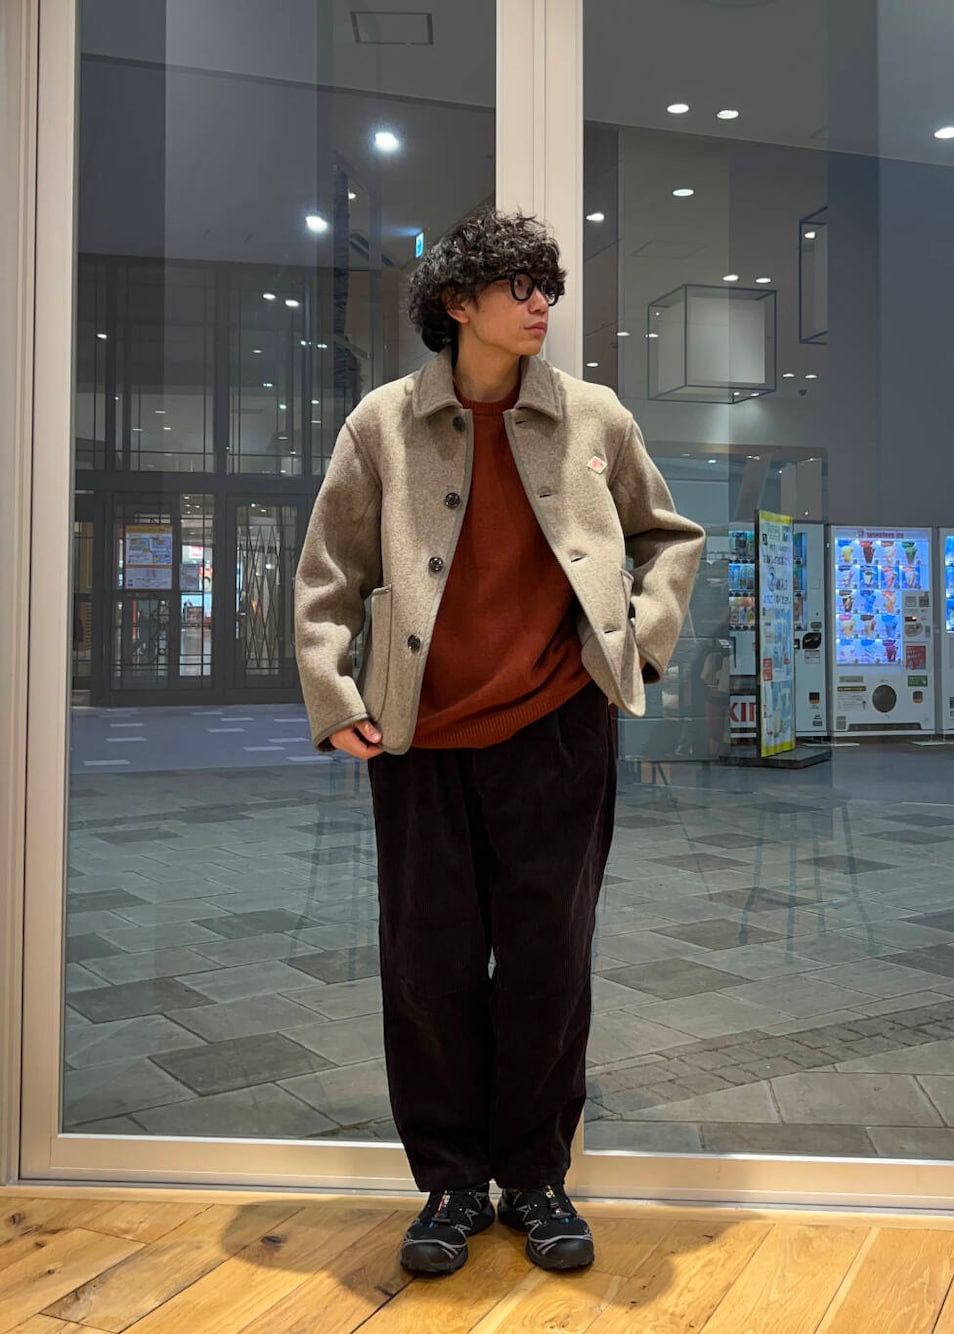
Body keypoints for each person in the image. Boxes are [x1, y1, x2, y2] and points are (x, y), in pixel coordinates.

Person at [294, 209, 704, 1277]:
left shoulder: (594, 417)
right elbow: (328, 572)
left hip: (557, 732)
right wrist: (334, 694)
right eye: (518, 285)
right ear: (456, 302)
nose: (540, 304)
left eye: (546, 286)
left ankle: (534, 1177)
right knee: (426, 965)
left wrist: (638, 647)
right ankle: (449, 1184)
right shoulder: (382, 423)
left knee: (547, 961)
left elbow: (668, 538)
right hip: (419, 739)